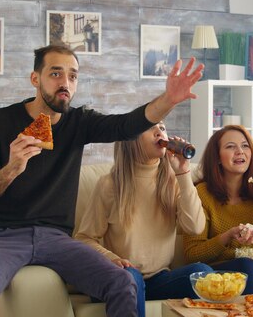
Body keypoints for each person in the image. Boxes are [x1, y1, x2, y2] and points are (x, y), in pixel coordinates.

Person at [0, 45, 203, 317]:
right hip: (1, 236)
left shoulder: (79, 121)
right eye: (55, 73)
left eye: (73, 76)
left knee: (122, 282)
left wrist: (168, 99)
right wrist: (11, 168)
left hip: (56, 238)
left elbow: (124, 125)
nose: (65, 83)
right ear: (35, 79)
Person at [74, 121, 211, 317]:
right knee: (131, 278)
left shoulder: (173, 181)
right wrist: (111, 258)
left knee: (203, 273)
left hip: (159, 279)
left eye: (162, 128)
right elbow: (84, 238)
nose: (159, 132)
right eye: (150, 127)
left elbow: (195, 227)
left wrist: (182, 172)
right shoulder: (109, 185)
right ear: (130, 138)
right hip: (120, 278)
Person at [183, 125, 253, 295]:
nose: (240, 151)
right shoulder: (202, 194)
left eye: (245, 146)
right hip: (220, 274)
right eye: (230, 147)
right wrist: (228, 236)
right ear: (217, 158)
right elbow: (192, 254)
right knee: (247, 267)